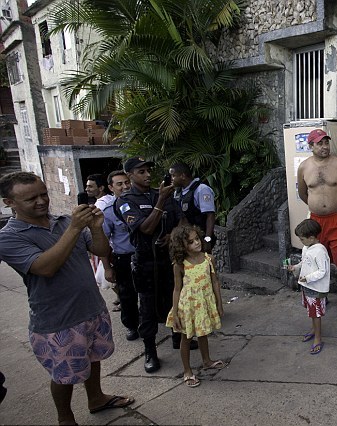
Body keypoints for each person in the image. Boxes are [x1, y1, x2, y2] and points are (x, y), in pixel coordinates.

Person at [0, 172, 134, 424]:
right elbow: (45, 267)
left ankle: (96, 398)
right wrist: (75, 227)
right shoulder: (8, 237)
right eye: (31, 199)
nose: (41, 201)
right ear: (10, 203)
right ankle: (65, 417)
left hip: (91, 309)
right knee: (64, 375)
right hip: (57, 321)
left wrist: (95, 228)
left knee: (94, 360)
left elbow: (101, 250)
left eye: (43, 194)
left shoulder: (62, 221)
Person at [116, 158, 196, 374]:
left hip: (169, 260)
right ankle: (150, 351)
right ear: (130, 175)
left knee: (176, 301)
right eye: (141, 172)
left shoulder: (160, 194)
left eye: (148, 171)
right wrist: (160, 202)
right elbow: (146, 228)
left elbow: (184, 223)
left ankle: (178, 337)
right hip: (145, 263)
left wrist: (172, 236)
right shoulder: (126, 201)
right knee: (148, 309)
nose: (147, 175)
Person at [297, 129, 337, 328]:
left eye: (326, 142)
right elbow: (303, 193)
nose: (324, 147)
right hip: (315, 221)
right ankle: (320, 296)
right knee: (315, 261)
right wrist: (318, 206)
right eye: (319, 143)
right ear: (311, 146)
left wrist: (332, 203)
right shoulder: (304, 167)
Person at [165, 224, 225, 388]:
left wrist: (219, 303)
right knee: (186, 338)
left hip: (204, 304)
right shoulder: (180, 265)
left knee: (203, 333)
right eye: (191, 242)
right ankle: (187, 371)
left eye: (197, 239)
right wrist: (175, 312)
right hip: (188, 307)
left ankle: (206, 361)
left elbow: (215, 282)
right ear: (182, 246)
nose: (196, 243)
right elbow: (177, 289)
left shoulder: (208, 259)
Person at [100, 170, 140, 341]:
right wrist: (107, 268)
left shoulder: (140, 204)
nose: (124, 187)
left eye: (126, 182)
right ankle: (131, 325)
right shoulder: (109, 212)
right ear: (111, 188)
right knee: (127, 295)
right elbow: (103, 243)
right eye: (119, 184)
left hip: (144, 255)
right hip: (124, 258)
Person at [287, 219, 330, 355]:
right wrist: (295, 267)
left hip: (315, 287)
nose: (301, 242)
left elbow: (323, 271)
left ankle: (318, 338)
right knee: (311, 311)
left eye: (302, 239)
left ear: (311, 237)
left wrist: (308, 278)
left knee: (316, 313)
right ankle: (314, 330)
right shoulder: (307, 248)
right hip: (306, 285)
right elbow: (304, 262)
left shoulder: (320, 251)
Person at [169, 162, 217, 251]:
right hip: (185, 240)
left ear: (183, 176)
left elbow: (210, 216)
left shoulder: (201, 189)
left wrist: (207, 240)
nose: (171, 179)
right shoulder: (178, 192)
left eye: (173, 176)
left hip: (199, 240)